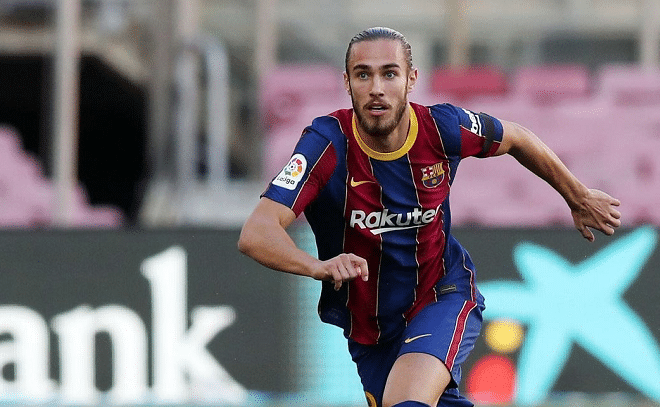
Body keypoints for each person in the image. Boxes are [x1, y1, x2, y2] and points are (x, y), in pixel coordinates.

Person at [238, 27, 621, 407]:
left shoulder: (442, 128)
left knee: (408, 402)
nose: (376, 88)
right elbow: (257, 233)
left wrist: (577, 195)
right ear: (347, 82)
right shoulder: (326, 143)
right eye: (363, 74)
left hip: (441, 295)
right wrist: (317, 266)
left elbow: (516, 137)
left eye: (389, 74)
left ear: (411, 80)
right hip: (371, 329)